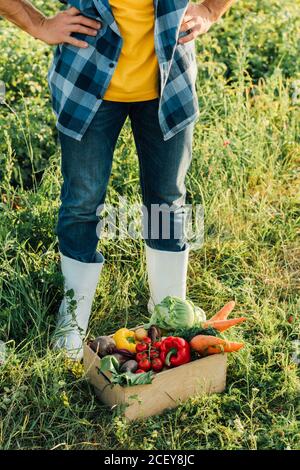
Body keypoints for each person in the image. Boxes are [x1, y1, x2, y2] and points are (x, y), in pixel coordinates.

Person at [0, 0, 235, 360]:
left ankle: (168, 312)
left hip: (167, 85)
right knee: (83, 200)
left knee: (166, 201)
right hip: (86, 88)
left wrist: (209, 10)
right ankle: (73, 320)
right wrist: (39, 24)